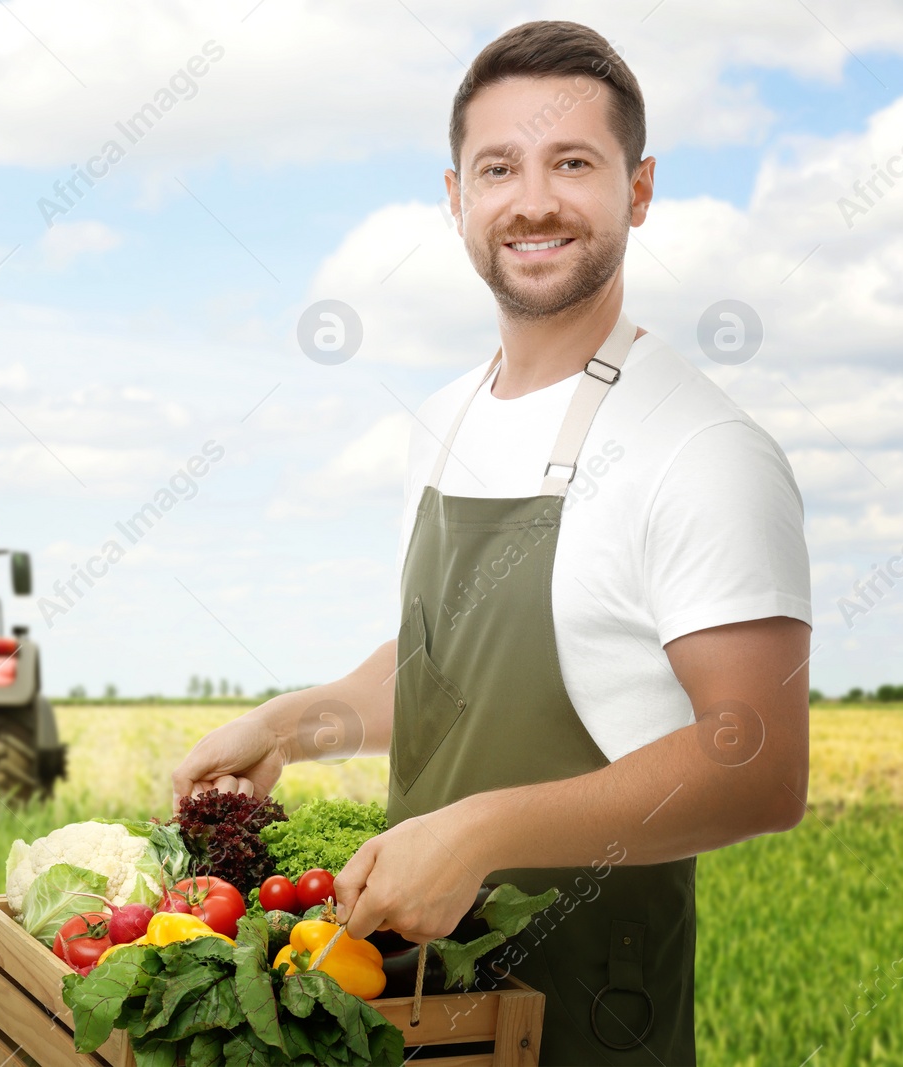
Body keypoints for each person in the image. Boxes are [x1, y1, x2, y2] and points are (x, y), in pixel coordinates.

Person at [171, 20, 811, 1065]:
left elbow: (760, 765)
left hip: (587, 1019)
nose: (533, 199)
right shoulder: (444, 419)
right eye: (498, 166)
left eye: (573, 163)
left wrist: (481, 831)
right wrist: (300, 718)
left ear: (637, 191)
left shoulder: (703, 448)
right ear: (455, 195)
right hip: (411, 1007)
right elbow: (441, 672)